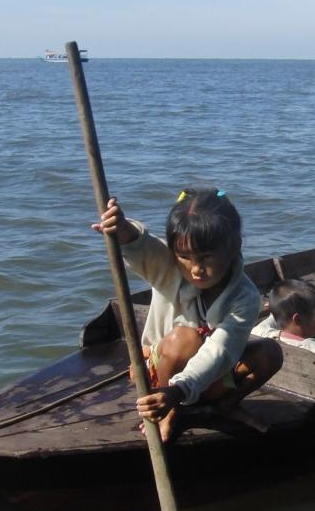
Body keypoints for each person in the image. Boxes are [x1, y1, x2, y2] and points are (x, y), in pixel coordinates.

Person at [92, 187, 283, 442]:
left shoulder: (245, 297)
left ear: (233, 246)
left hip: (203, 378)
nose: (195, 269)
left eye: (206, 257)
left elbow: (220, 351)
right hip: (161, 377)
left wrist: (179, 390)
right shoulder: (167, 266)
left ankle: (225, 405)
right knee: (184, 338)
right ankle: (169, 413)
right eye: (184, 257)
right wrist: (123, 229)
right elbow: (142, 247)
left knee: (271, 353)